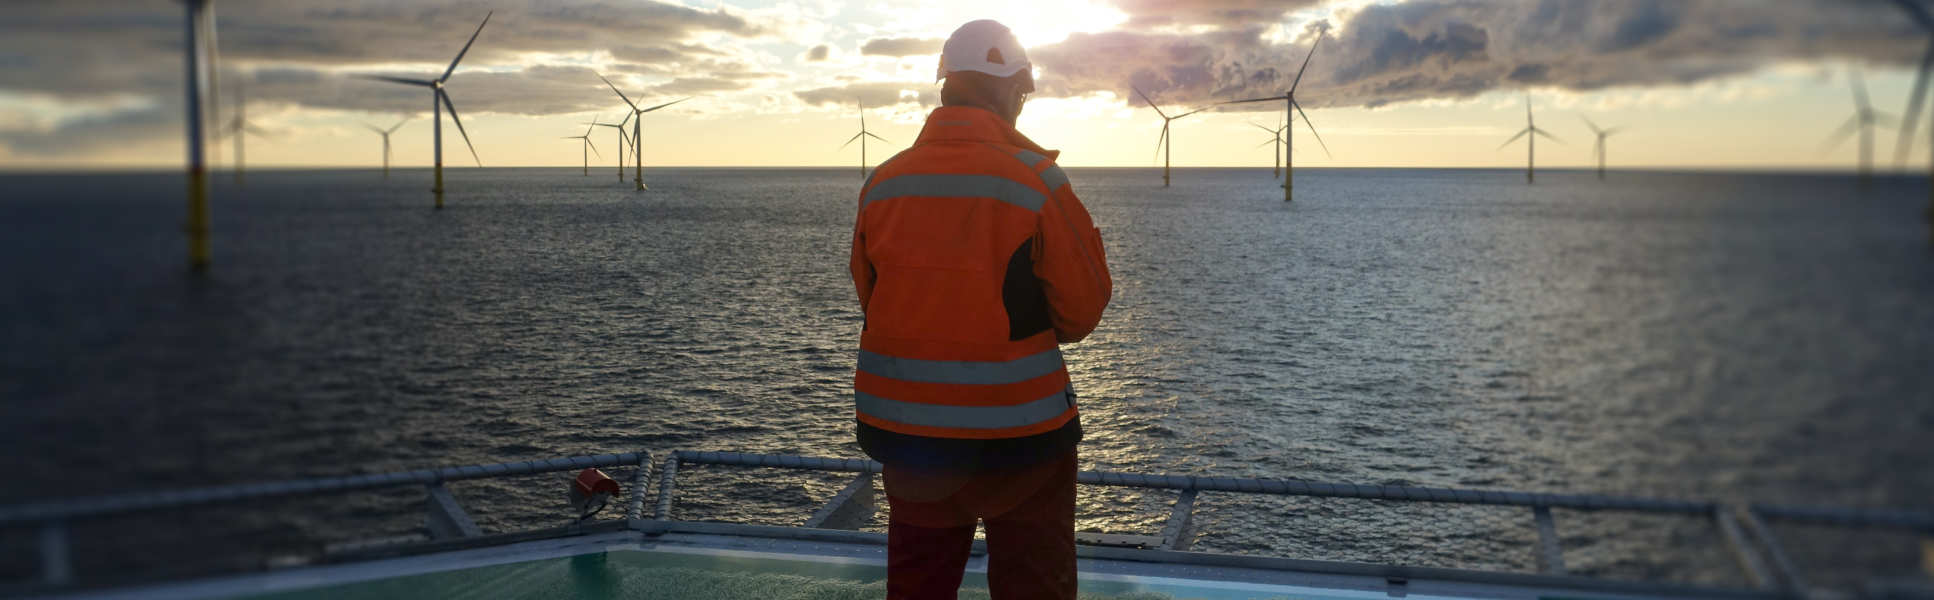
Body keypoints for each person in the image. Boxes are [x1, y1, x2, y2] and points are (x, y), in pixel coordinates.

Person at [848, 19, 1113, 600]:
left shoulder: (883, 184)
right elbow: (1083, 312)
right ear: (1009, 90)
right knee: (1033, 585)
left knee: (918, 585)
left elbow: (873, 297)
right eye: (1021, 93)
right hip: (1021, 438)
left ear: (947, 86)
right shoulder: (1037, 182)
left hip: (910, 437)